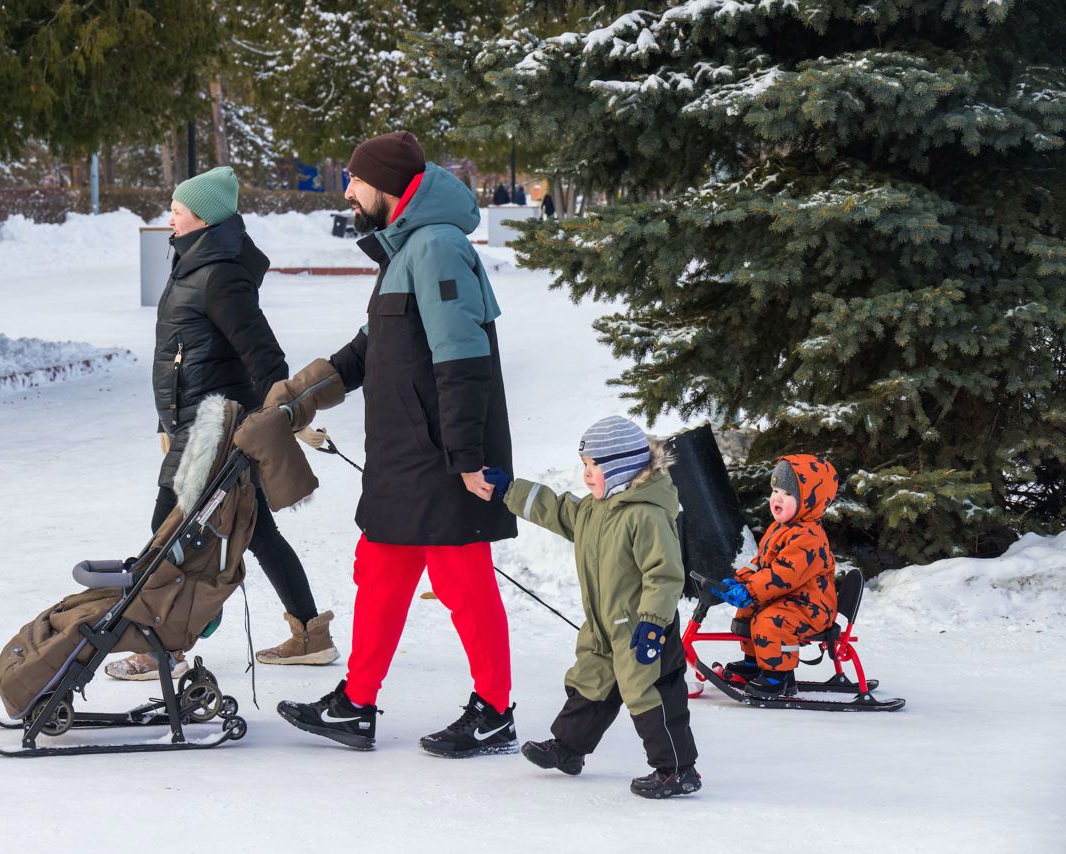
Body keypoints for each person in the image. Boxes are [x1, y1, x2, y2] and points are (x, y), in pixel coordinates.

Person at [275, 131, 518, 756]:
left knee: (464, 579)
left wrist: (466, 458)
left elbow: (462, 356)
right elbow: (369, 348)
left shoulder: (436, 246)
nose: (347, 192)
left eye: (354, 181)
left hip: (440, 454)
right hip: (403, 454)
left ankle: (494, 711)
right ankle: (356, 705)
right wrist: (303, 393)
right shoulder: (408, 248)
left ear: (384, 186)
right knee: (380, 573)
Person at [106, 166, 340, 681]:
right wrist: (166, 421)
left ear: (205, 219)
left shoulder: (219, 274)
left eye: (179, 209)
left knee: (166, 534)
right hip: (192, 426)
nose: (171, 215)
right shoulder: (192, 263)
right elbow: (179, 356)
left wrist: (285, 417)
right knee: (256, 533)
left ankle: (160, 648)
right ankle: (309, 632)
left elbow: (263, 356)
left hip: (215, 430)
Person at [483, 416, 701, 799]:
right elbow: (556, 509)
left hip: (646, 628)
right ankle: (569, 748)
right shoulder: (595, 510)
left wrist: (652, 623)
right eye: (584, 465)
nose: (585, 475)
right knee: (591, 680)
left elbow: (665, 575)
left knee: (650, 693)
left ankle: (678, 770)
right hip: (604, 624)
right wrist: (509, 490)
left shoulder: (645, 515)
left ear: (618, 468)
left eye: (593, 466)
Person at [710, 455, 839, 698]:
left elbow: (783, 574)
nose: (777, 497)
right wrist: (740, 581)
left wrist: (751, 591)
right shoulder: (780, 528)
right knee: (748, 611)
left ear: (810, 501)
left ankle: (778, 677)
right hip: (788, 598)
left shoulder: (808, 537)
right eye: (776, 489)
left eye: (788, 494)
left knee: (771, 620)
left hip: (811, 606)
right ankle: (754, 662)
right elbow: (762, 566)